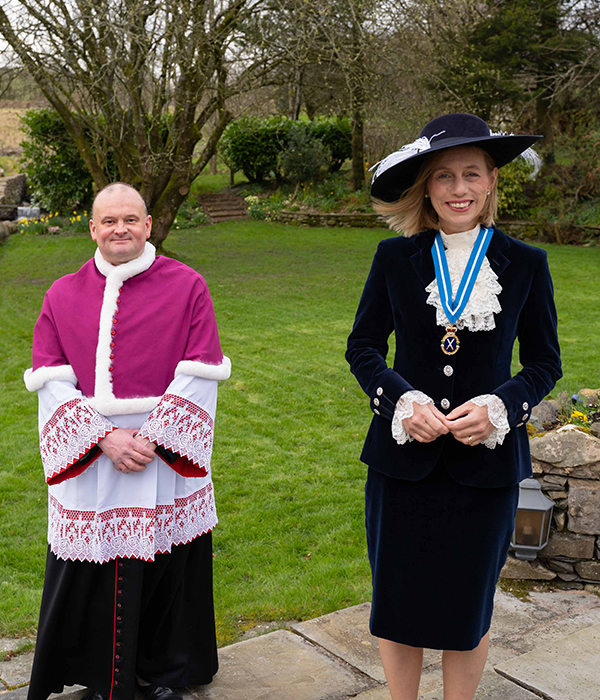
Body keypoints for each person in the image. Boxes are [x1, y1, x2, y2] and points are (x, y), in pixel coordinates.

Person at [346, 113, 561, 700]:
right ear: (426, 186)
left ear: (492, 180)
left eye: (471, 174)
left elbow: (545, 362)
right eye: (444, 176)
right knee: (397, 601)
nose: (458, 188)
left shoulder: (526, 264)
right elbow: (363, 346)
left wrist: (502, 406)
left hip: (483, 467)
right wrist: (400, 399)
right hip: (402, 463)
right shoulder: (395, 258)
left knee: (469, 609)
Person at [24, 183, 231, 700]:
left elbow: (202, 370)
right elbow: (49, 377)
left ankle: (165, 673)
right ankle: (100, 675)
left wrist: (155, 438)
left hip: (162, 452)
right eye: (109, 221)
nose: (121, 229)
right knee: (89, 569)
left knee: (167, 565)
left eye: (131, 220)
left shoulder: (187, 286)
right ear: (92, 228)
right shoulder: (61, 293)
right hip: (93, 455)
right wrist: (104, 438)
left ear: (148, 224)